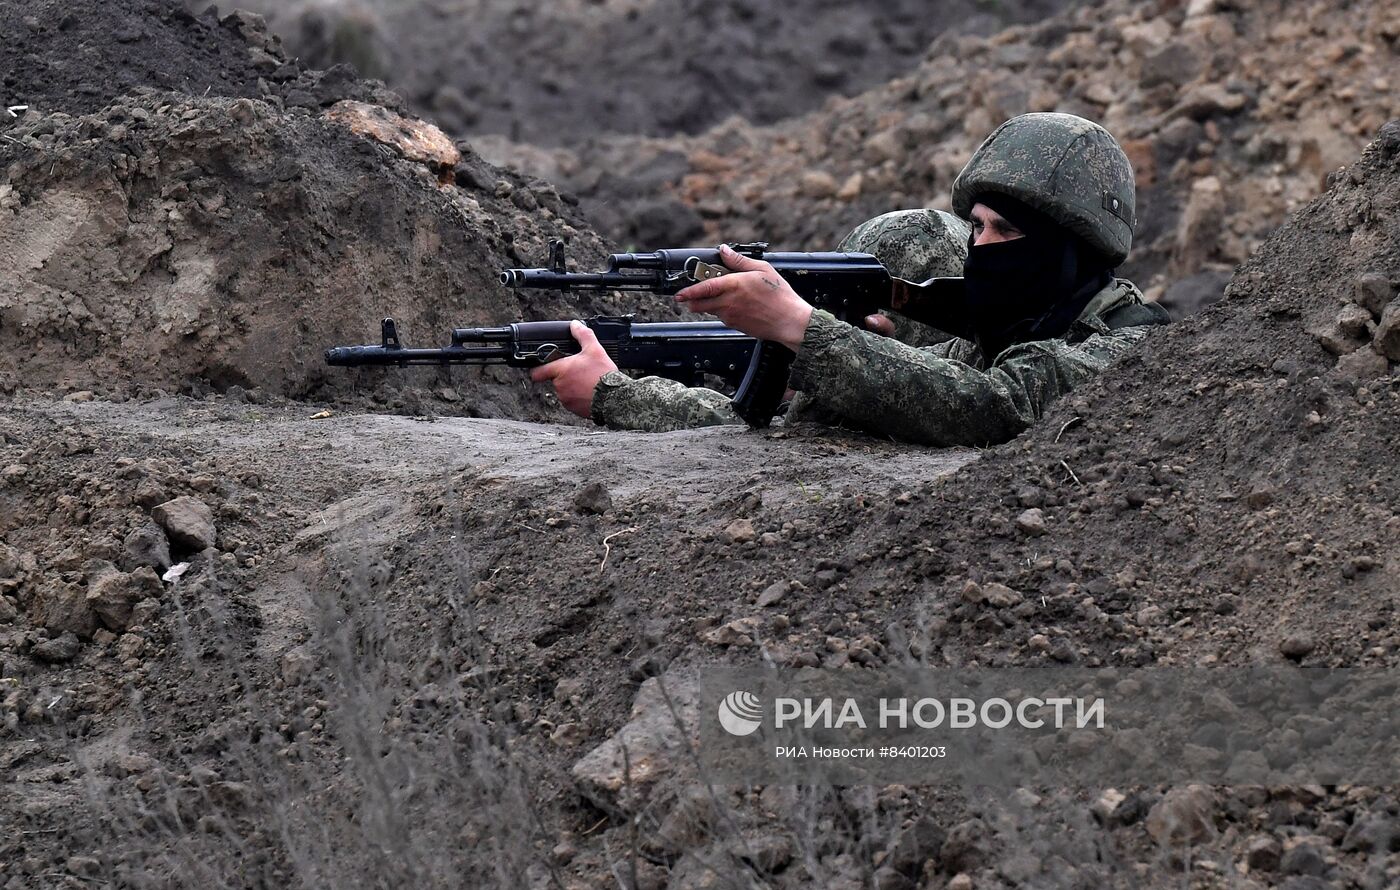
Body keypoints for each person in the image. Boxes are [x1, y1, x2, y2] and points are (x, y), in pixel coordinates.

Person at [531, 112, 1170, 447]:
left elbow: (989, 408)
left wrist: (798, 326)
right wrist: (617, 391)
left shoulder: (1129, 350)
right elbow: (786, 435)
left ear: (1071, 252)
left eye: (1003, 231)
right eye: (974, 228)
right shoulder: (986, 342)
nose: (981, 249)